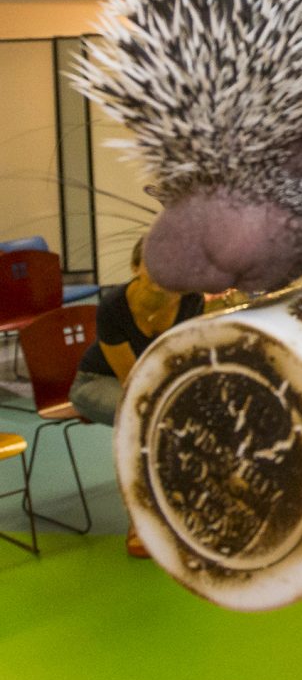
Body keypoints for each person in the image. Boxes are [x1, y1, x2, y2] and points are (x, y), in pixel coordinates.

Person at [69, 235, 206, 557]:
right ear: (135, 267)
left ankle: (190, 503)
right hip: (97, 381)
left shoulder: (191, 300)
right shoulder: (113, 308)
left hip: (155, 381)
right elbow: (133, 382)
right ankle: (141, 519)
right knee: (143, 420)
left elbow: (188, 356)